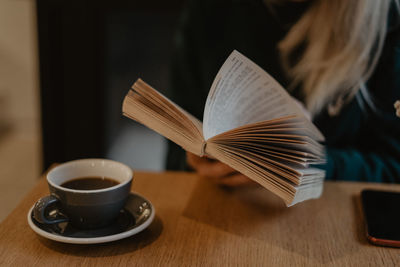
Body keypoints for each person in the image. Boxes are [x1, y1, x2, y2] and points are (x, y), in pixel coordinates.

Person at [166, 0, 400, 185]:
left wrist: (313, 164)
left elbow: (393, 166)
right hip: (226, 210)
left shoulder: (386, 21)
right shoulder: (210, 11)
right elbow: (176, 154)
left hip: (334, 216)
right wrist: (196, 162)